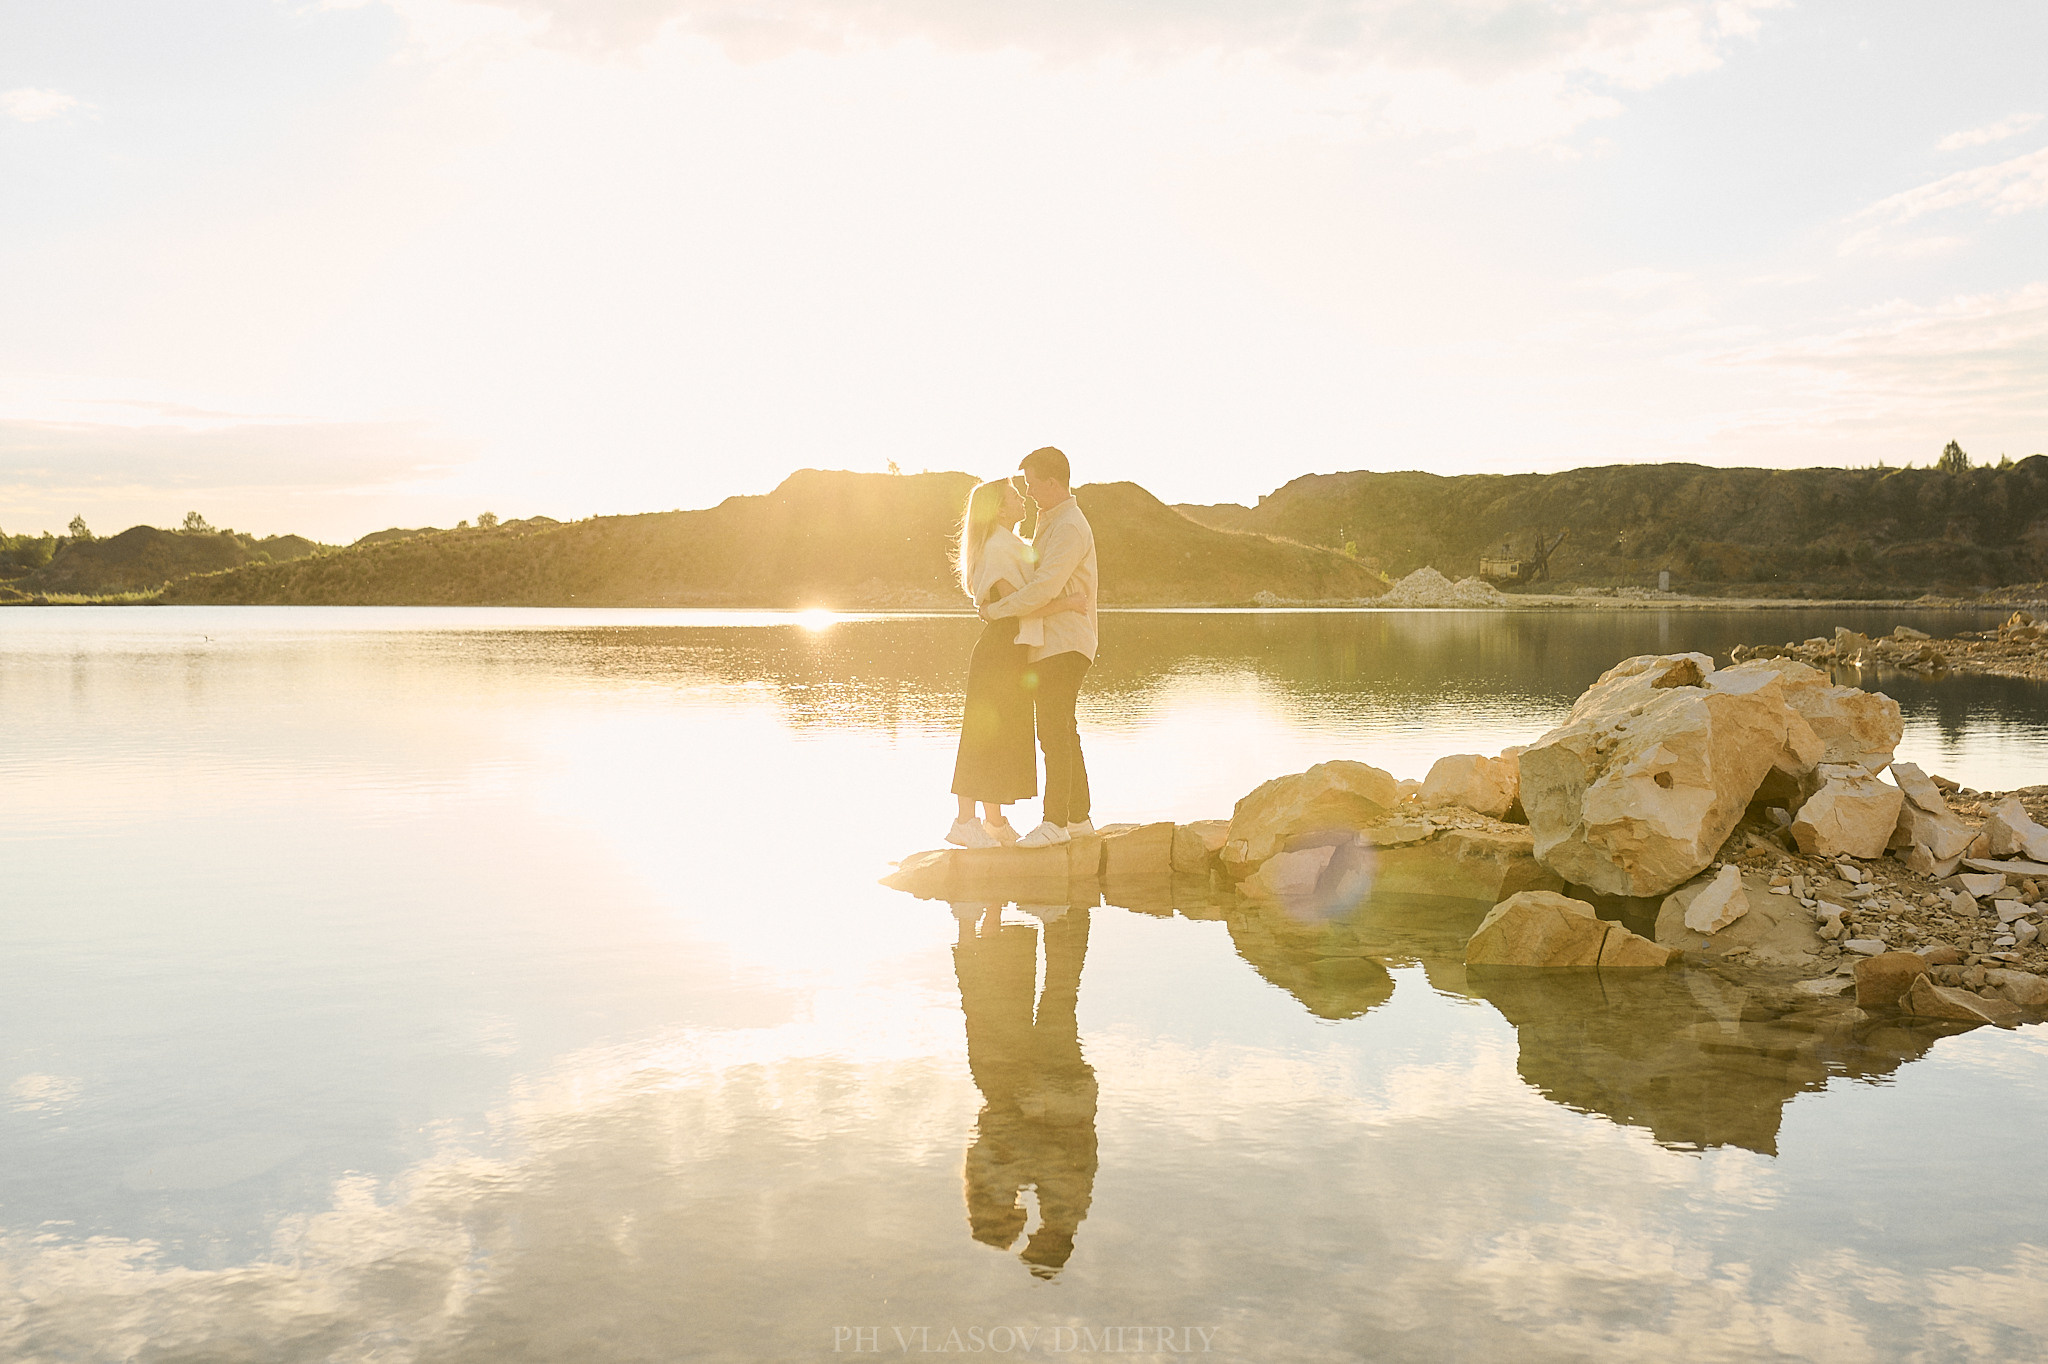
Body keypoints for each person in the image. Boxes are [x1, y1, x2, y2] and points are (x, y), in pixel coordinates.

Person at [946, 478, 1080, 849]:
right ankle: (964, 821)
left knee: (1000, 735)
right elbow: (1020, 605)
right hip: (1000, 650)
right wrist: (1068, 605)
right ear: (1000, 509)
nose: (1023, 499)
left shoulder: (1007, 543)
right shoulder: (998, 547)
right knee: (983, 736)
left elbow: (1015, 603)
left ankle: (995, 822)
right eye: (1014, 496)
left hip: (1010, 649)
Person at [980, 446, 1097, 848]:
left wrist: (996, 611)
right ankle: (1078, 819)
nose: (1028, 492)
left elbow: (1044, 587)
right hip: (1055, 642)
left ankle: (1055, 824)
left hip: (1065, 641)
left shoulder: (1069, 527)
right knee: (1064, 729)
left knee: (1052, 732)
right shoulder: (1051, 522)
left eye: (1031, 483)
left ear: (1051, 481)